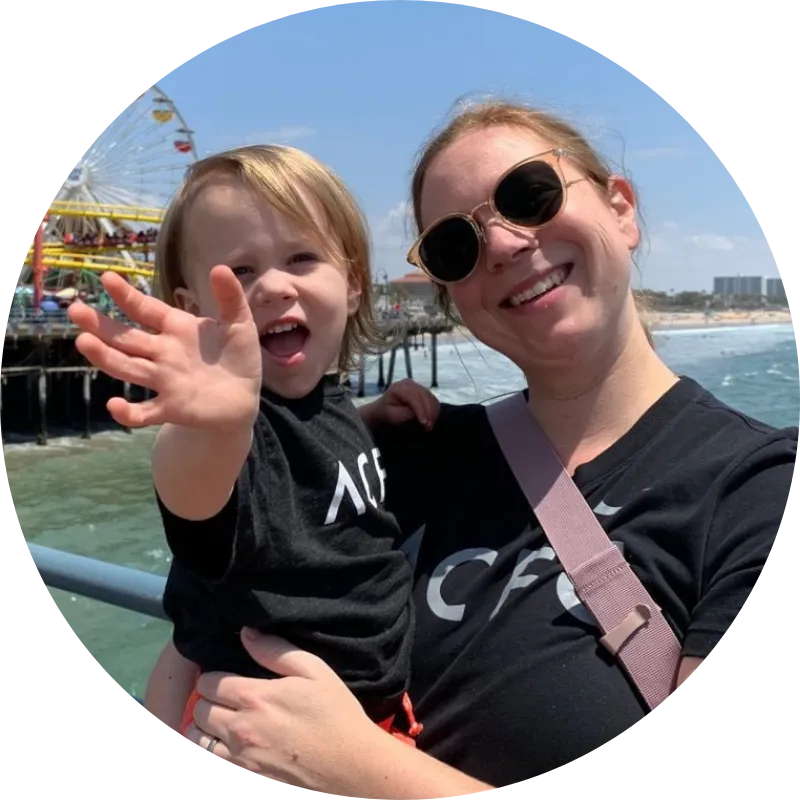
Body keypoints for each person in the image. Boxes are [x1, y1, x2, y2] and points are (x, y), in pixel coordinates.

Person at [177, 101, 796, 795]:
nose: (503, 243)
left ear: (622, 208)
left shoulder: (760, 490)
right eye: (456, 245)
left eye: (530, 195)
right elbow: (207, 614)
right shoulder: (406, 455)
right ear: (451, 293)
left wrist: (357, 767)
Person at [66, 144, 444, 750]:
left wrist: (372, 418)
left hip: (372, 719)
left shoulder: (328, 402)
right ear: (191, 313)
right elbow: (197, 487)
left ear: (350, 284)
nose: (271, 286)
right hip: (268, 738)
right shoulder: (227, 438)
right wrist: (210, 426)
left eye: (301, 257)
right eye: (237, 273)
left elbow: (309, 458)